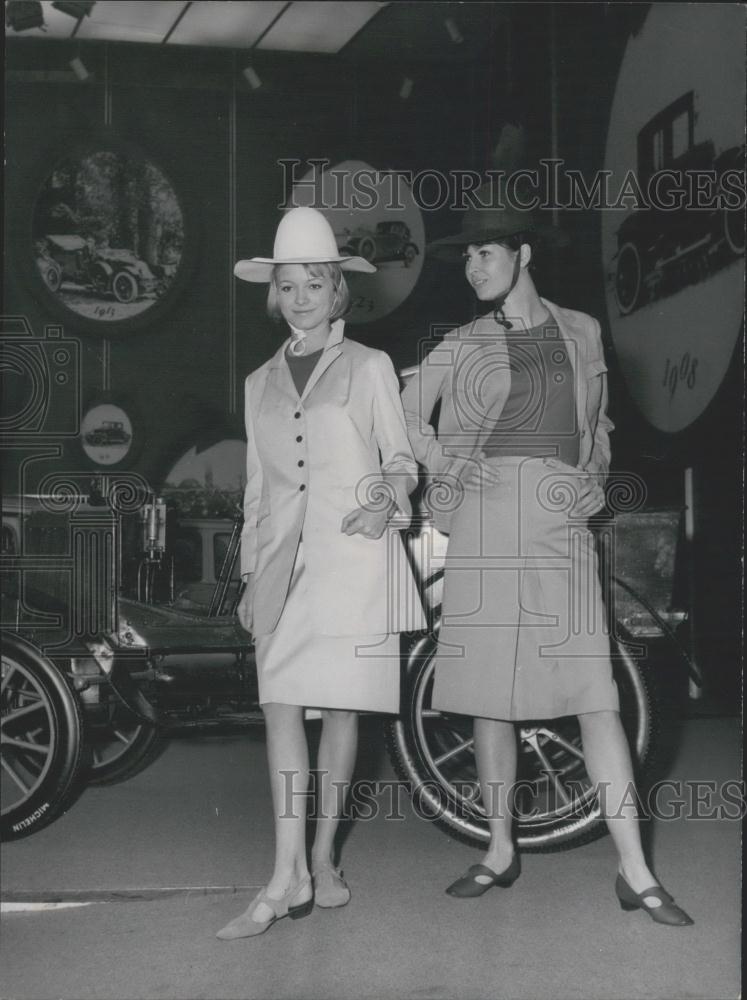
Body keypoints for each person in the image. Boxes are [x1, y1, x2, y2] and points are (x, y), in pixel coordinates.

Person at [400, 183, 693, 926]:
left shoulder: (582, 331)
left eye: (485, 252)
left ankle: (635, 868)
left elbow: (599, 423)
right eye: (464, 255)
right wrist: (443, 459)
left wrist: (589, 480)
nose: (471, 266)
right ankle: (499, 849)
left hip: (559, 528)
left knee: (596, 696)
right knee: (488, 699)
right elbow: (399, 407)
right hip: (487, 521)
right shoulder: (462, 344)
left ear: (521, 254)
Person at [216, 206, 424, 940]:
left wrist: (384, 503)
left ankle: (323, 856)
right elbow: (255, 489)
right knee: (279, 708)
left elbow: (401, 462)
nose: (301, 295)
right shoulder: (257, 383)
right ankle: (287, 873)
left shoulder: (367, 369)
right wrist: (249, 574)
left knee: (341, 712)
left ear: (337, 290)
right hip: (282, 568)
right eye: (288, 284)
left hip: (353, 563)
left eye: (314, 282)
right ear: (274, 292)